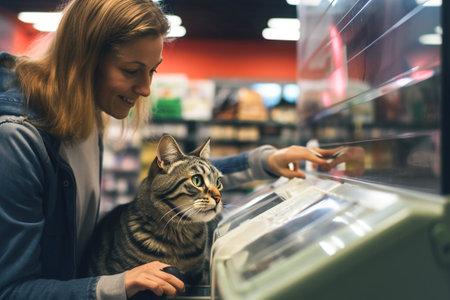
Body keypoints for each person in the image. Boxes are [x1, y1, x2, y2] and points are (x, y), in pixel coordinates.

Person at [0, 0, 332, 299]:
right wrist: (115, 284)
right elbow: (11, 290)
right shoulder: (17, 139)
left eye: (152, 71)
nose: (145, 89)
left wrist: (266, 161)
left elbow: (183, 177)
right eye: (131, 71)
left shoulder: (85, 113)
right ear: (84, 59)